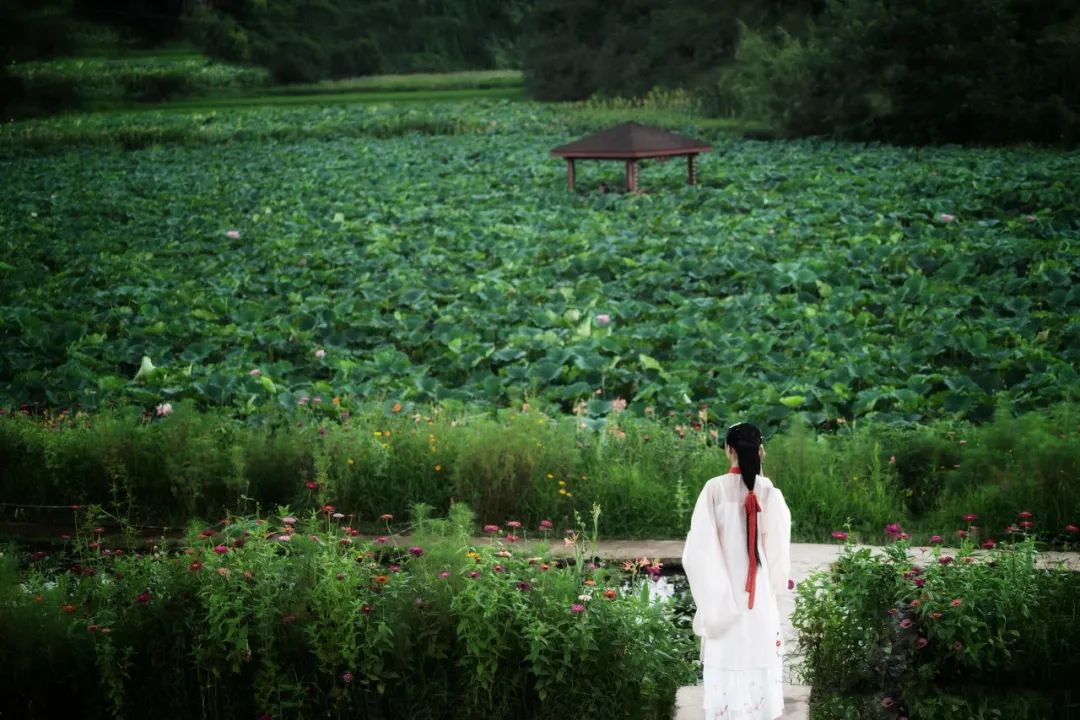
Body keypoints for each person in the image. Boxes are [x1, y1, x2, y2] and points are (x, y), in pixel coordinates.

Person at [682, 422, 792, 720]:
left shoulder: (714, 489)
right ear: (761, 451)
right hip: (758, 593)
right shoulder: (769, 491)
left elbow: (698, 551)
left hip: (724, 590)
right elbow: (779, 549)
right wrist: (774, 584)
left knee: (728, 651)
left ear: (727, 449)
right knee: (757, 648)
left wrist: (713, 593)